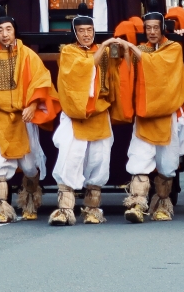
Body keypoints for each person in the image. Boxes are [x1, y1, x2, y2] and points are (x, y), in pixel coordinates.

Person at [0, 15, 59, 223]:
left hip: (24, 118)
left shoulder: (28, 55)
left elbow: (42, 80)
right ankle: (0, 208)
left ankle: (30, 200)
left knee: (30, 165)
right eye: (0, 30)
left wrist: (33, 106)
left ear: (14, 31)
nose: (4, 34)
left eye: (8, 29)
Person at [49, 13, 123, 226]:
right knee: (70, 158)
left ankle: (92, 209)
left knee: (99, 161)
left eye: (89, 30)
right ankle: (64, 210)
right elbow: (85, 68)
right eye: (81, 31)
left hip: (99, 113)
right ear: (75, 33)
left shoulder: (104, 52)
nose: (86, 35)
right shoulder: (68, 52)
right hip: (77, 114)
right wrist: (106, 45)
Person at [119, 11, 184, 223]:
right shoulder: (139, 50)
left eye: (155, 28)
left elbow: (158, 65)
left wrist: (134, 51)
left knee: (167, 166)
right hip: (145, 115)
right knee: (140, 160)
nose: (151, 32)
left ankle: (162, 204)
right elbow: (127, 75)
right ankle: (137, 204)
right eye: (148, 28)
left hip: (168, 115)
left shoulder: (173, 48)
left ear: (162, 28)